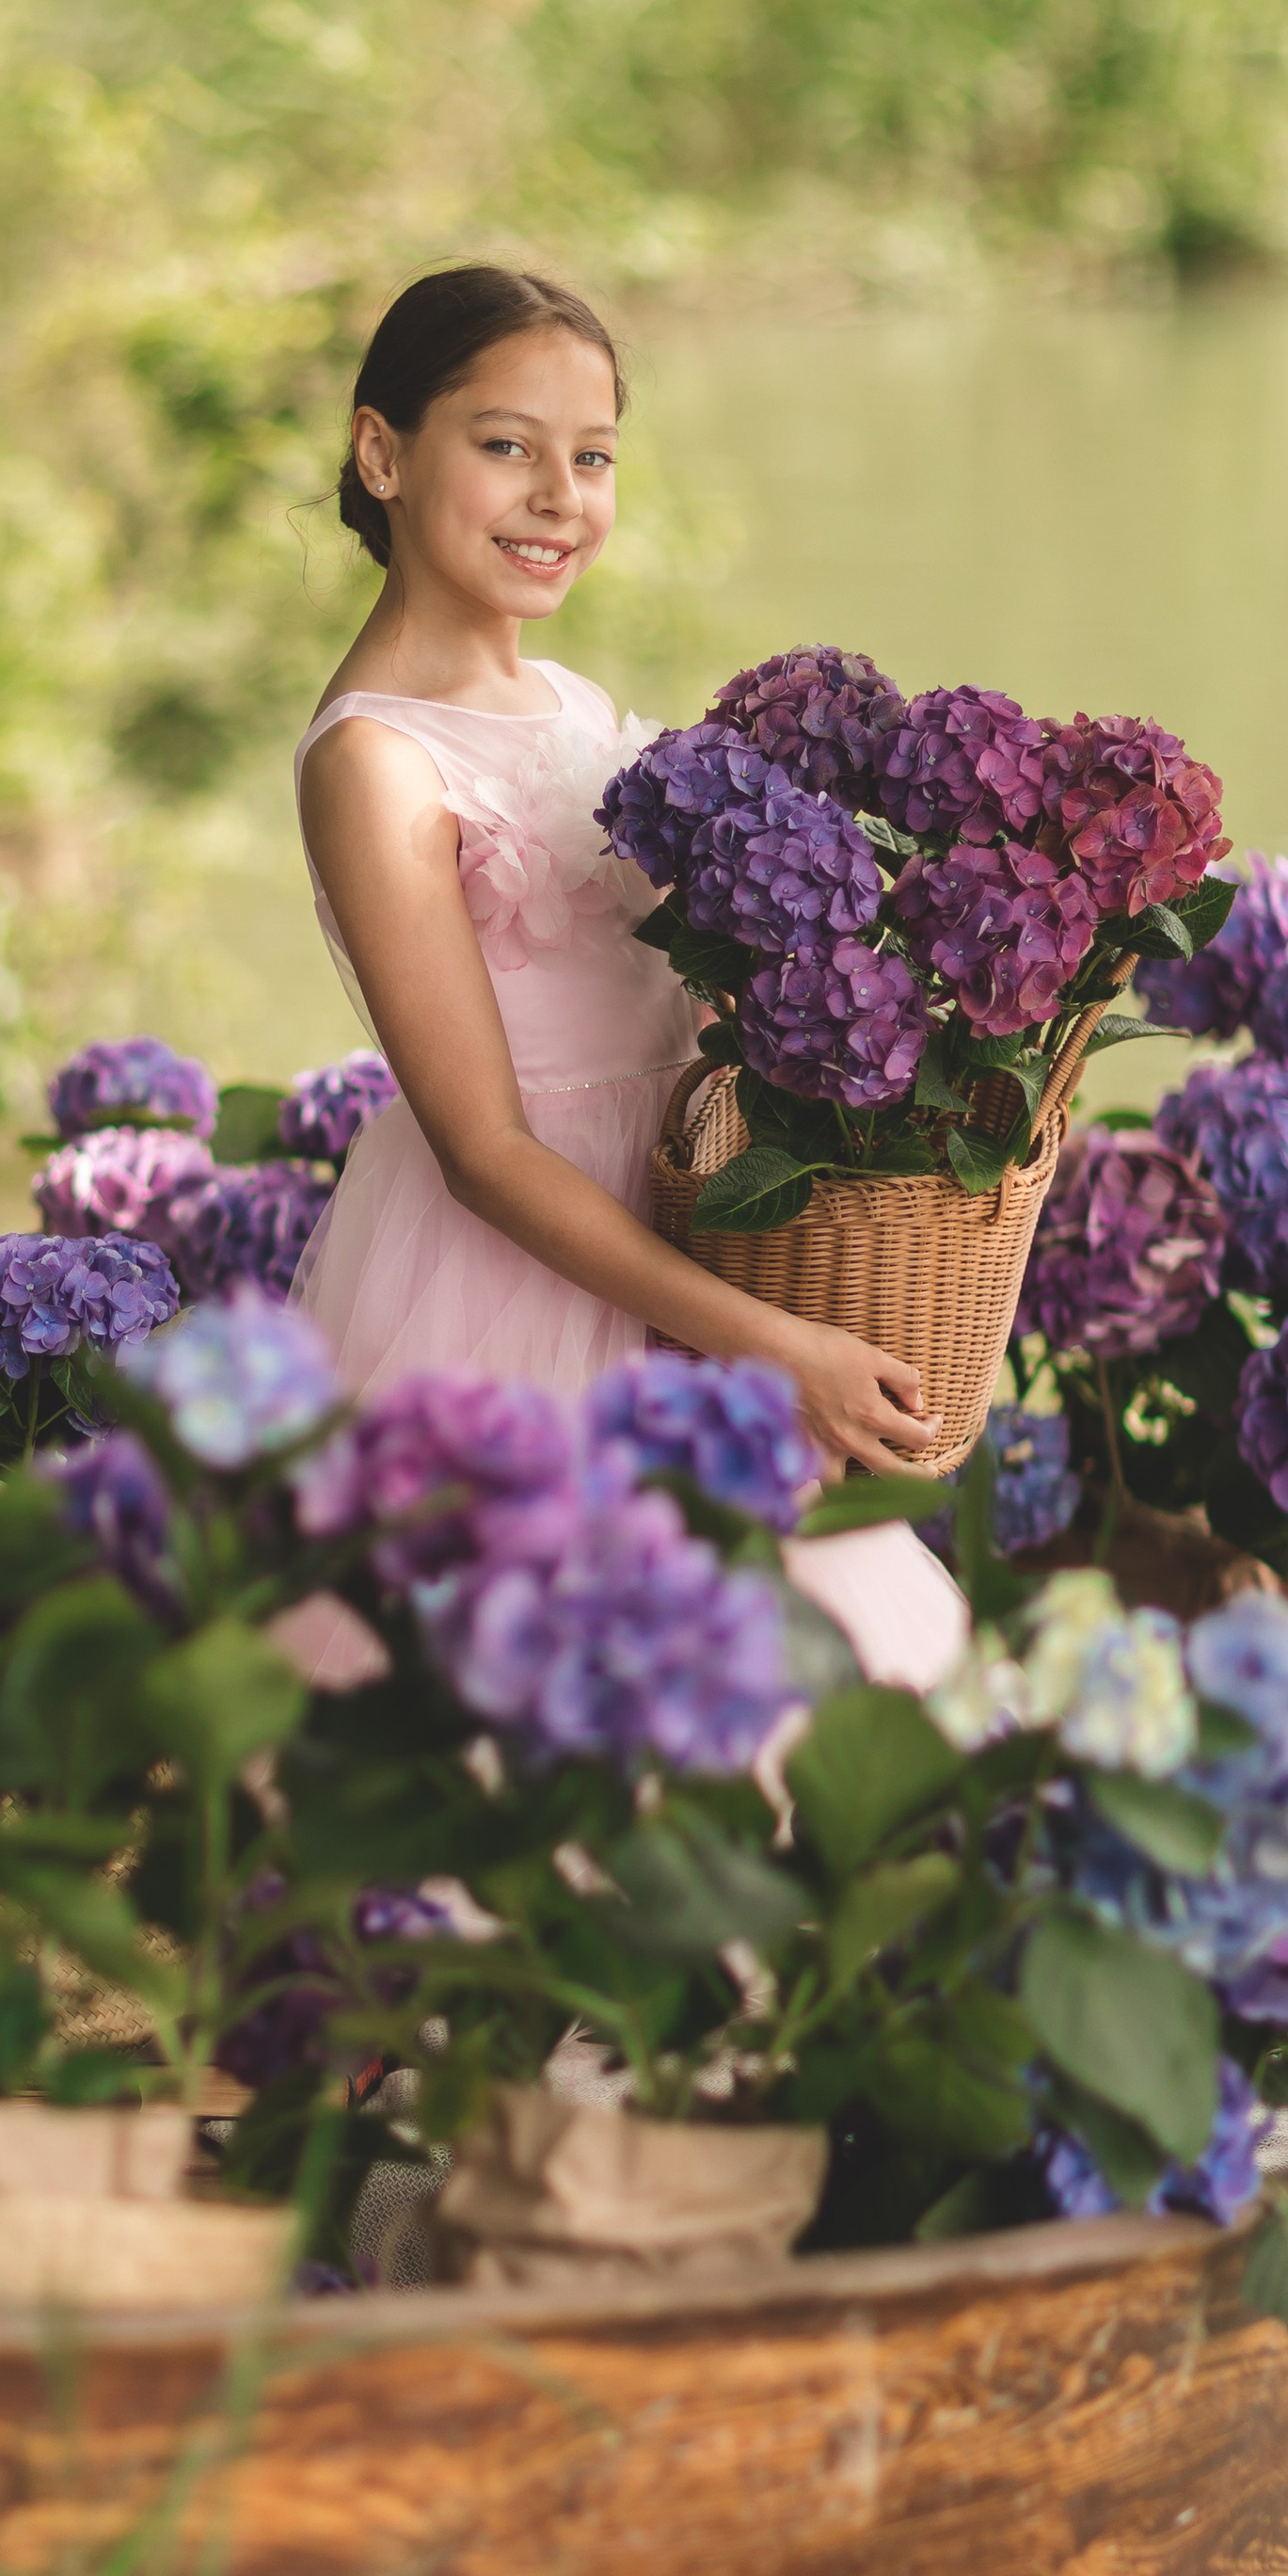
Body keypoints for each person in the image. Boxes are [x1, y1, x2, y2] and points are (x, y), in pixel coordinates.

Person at [289, 264, 965, 1690]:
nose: (558, 496)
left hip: (686, 1220)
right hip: (518, 1281)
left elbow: (682, 1009)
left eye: (591, 458)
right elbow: (481, 1151)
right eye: (505, 445)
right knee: (588, 1705)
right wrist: (774, 1341)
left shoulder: (580, 708)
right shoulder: (376, 763)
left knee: (817, 1674)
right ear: (382, 451)